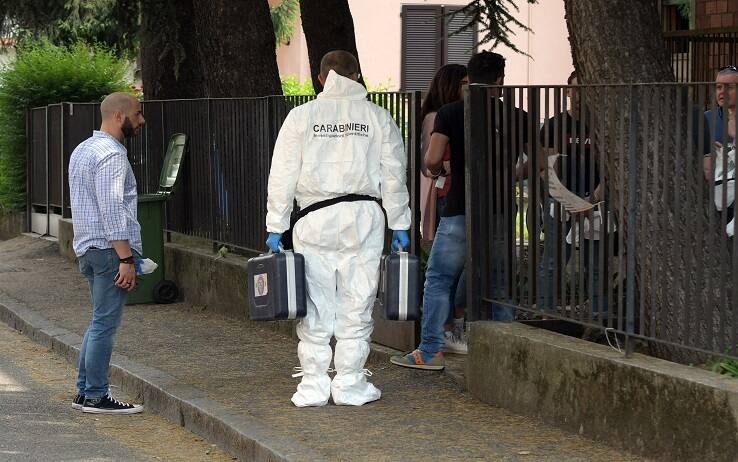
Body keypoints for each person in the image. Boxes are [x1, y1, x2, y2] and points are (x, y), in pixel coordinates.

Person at [265, 50, 411, 406]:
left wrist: (276, 225)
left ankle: (314, 383)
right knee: (357, 301)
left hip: (314, 217)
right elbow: (394, 175)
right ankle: (350, 381)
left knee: (315, 303)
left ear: (320, 78)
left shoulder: (301, 118)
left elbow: (282, 175)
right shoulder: (377, 118)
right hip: (364, 217)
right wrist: (401, 224)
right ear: (357, 75)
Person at [391, 51, 530, 371]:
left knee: (439, 278)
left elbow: (431, 159)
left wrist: (437, 169)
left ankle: (430, 352)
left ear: (470, 77)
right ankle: (506, 357)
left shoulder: (452, 112)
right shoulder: (517, 116)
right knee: (498, 283)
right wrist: (505, 177)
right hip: (499, 210)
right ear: (500, 80)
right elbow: (534, 164)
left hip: (458, 209)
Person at [68, 92, 146, 414]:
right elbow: (112, 208)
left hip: (87, 247)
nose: (141, 120)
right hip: (109, 250)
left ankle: (84, 392)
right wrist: (126, 259)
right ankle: (97, 396)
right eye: (138, 114)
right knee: (104, 324)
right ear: (119, 116)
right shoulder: (112, 155)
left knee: (97, 321)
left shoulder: (82, 150)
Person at [537, 71, 610, 320]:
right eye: (575, 90)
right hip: (560, 202)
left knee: (597, 263)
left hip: (596, 201)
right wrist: (569, 200)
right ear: (567, 91)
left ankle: (600, 316)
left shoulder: (602, 125)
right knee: (554, 260)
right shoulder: (554, 125)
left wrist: (594, 199)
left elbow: (612, 169)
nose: (579, 96)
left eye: (585, 90)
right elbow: (546, 169)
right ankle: (546, 314)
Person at [418, 63, 469, 355]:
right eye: (463, 83)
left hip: (453, 195)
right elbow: (429, 164)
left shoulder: (457, 114)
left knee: (453, 270)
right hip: (445, 196)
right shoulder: (437, 117)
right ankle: (444, 331)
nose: (467, 88)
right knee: (443, 272)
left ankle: (450, 328)